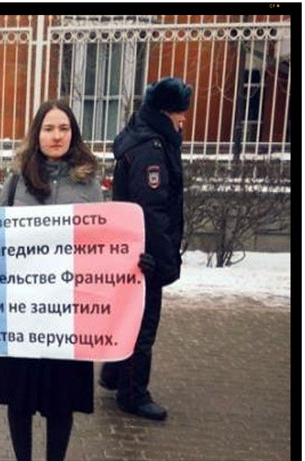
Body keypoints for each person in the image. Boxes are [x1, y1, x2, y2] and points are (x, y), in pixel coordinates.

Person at [0, 99, 152, 460]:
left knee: (61, 403)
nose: (56, 136)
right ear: (37, 134)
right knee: (18, 400)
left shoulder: (89, 185)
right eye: (49, 128)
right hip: (22, 312)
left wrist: (134, 261)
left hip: (67, 315)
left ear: (74, 134)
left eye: (64, 128)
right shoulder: (19, 180)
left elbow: (104, 247)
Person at [99, 77, 192, 421]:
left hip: (133, 250)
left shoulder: (141, 140)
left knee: (128, 313)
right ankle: (133, 393)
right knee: (143, 320)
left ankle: (113, 374)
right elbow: (151, 211)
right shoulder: (150, 149)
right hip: (145, 255)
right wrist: (166, 260)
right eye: (180, 114)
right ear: (166, 112)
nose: (183, 121)